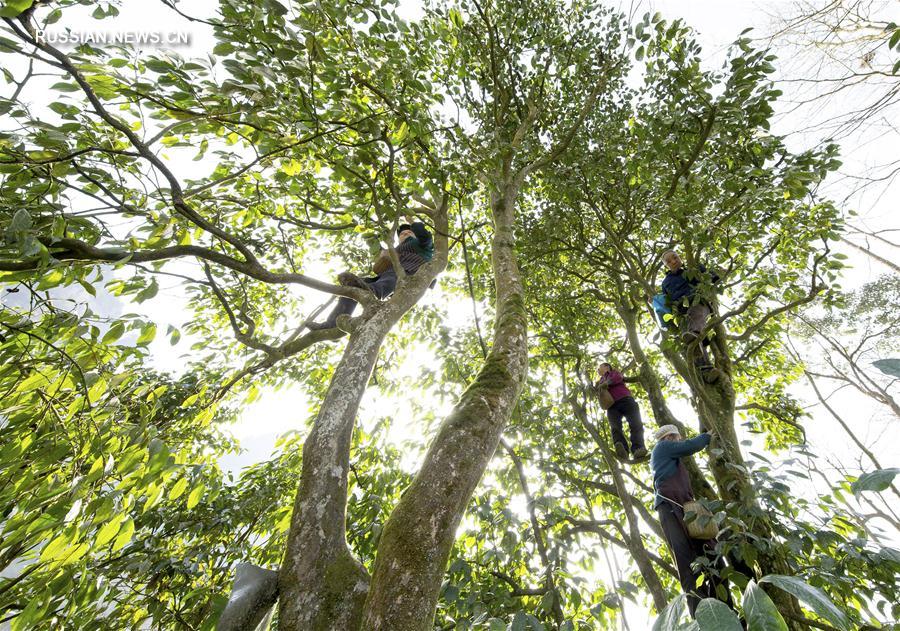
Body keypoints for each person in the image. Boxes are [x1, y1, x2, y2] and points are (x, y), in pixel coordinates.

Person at [651, 424, 734, 618]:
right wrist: (707, 436)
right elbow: (689, 446)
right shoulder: (662, 447)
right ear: (669, 438)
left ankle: (726, 611)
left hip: (685, 509)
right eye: (677, 438)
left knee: (712, 556)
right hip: (670, 507)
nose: (679, 441)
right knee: (685, 559)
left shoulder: (674, 461)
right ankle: (700, 615)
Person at [307, 220, 433, 330]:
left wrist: (411, 221)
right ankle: (332, 324)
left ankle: (372, 291)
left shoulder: (421, 245)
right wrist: (373, 239)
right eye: (402, 234)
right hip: (387, 277)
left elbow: (424, 236)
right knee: (355, 287)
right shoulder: (395, 250)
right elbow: (378, 252)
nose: (406, 234)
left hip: (408, 274)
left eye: (409, 232)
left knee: (389, 279)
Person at [660, 250, 720, 383]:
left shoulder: (694, 268)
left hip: (698, 301)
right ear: (666, 265)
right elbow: (666, 302)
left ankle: (693, 334)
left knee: (695, 319)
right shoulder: (665, 283)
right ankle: (706, 372)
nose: (673, 262)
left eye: (675, 258)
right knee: (691, 341)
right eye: (669, 261)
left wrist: (719, 272)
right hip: (681, 313)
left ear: (680, 256)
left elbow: (713, 278)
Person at [596, 362, 647, 460]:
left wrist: (607, 383)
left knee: (636, 424)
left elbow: (618, 378)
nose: (598, 369)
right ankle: (622, 450)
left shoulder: (614, 373)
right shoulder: (600, 381)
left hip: (625, 399)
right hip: (612, 406)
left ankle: (638, 448)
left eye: (599, 367)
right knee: (615, 427)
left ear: (607, 366)